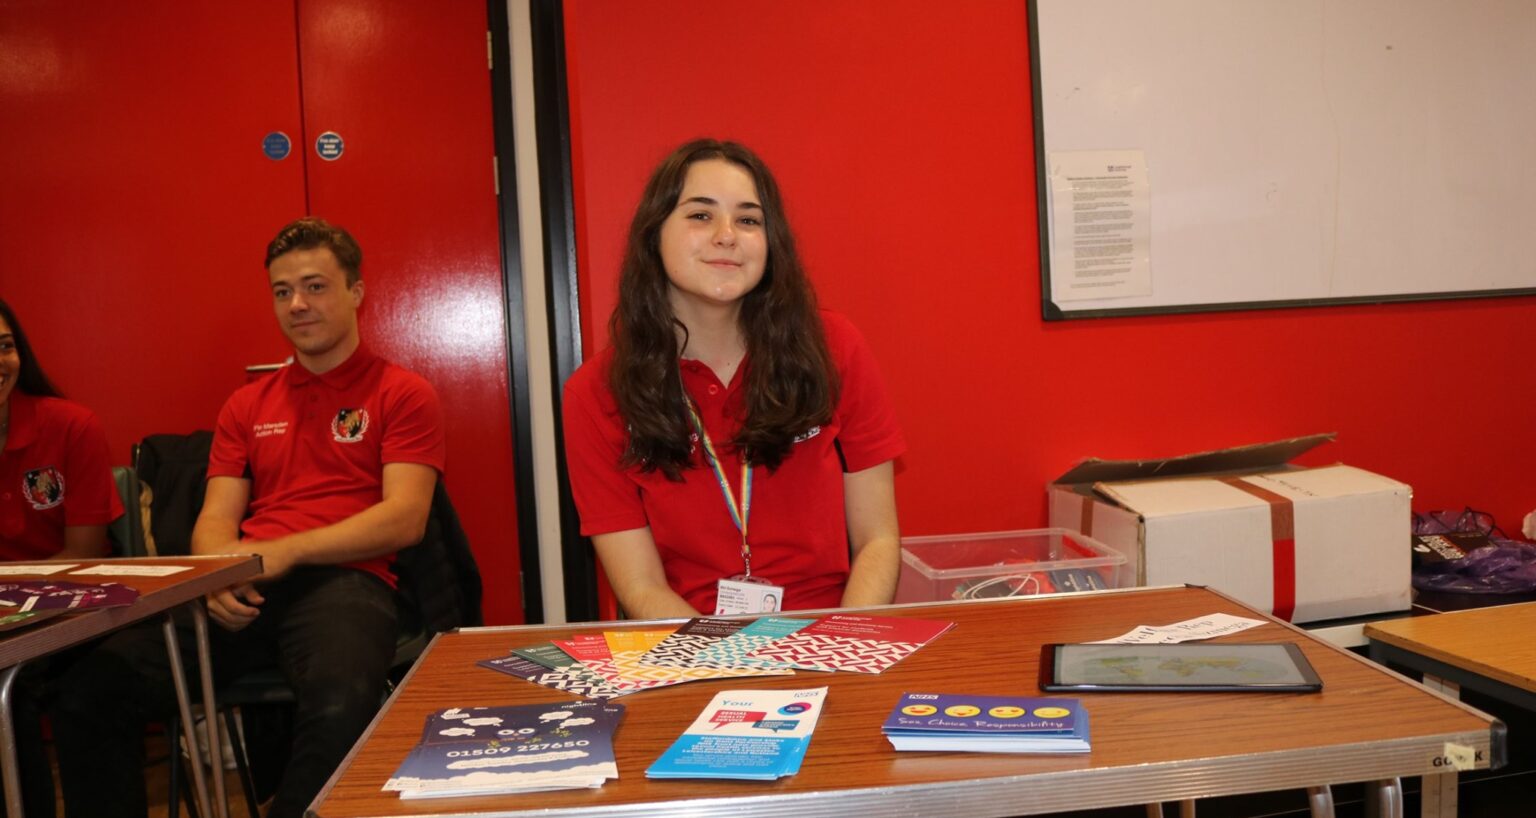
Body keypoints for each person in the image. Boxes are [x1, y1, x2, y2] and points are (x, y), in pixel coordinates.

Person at [50, 217, 445, 818]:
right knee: (89, 691)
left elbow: (404, 518)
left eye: (314, 286)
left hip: (347, 582)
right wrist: (219, 570)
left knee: (342, 708)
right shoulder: (246, 405)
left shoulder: (402, 392)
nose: (297, 304)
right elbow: (215, 520)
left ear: (356, 292)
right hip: (244, 584)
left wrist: (287, 551)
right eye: (282, 291)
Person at [562, 139, 905, 619]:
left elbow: (878, 539)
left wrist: (843, 646)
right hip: (689, 643)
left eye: (748, 220)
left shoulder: (833, 347)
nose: (727, 235)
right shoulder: (595, 393)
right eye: (700, 215)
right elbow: (639, 587)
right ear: (653, 235)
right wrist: (727, 664)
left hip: (833, 634)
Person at [0, 299, 120, 818]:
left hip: (76, 617)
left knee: (93, 689)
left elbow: (85, 558)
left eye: (3, 347)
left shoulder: (70, 425)